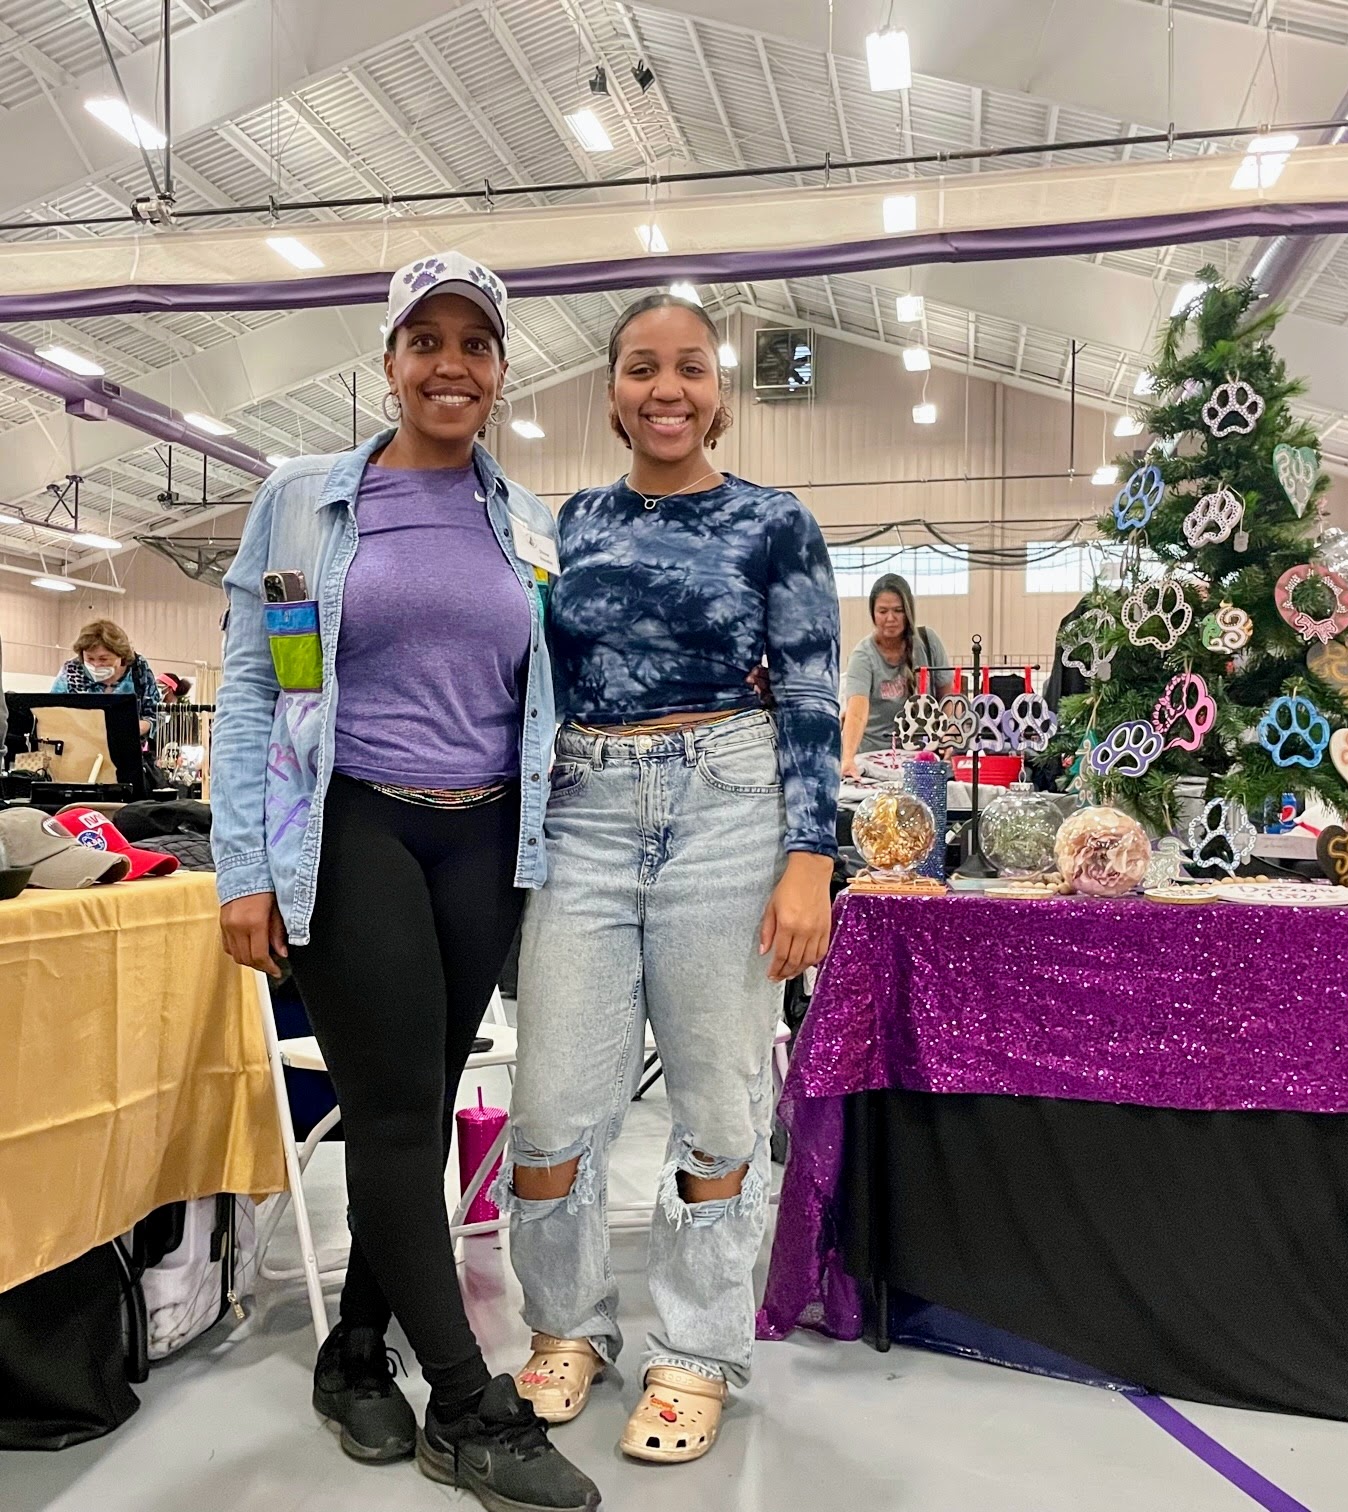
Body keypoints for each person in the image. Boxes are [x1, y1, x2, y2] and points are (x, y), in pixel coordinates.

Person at [210, 251, 599, 1512]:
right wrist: (243, 870)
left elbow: (546, 692)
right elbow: (261, 686)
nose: (449, 364)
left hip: (486, 841)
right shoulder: (305, 501)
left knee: (421, 1108)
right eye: (423, 341)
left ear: (498, 372)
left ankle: (347, 1352)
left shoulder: (526, 522)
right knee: (388, 1115)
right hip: (352, 824)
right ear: (387, 364)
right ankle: (468, 1404)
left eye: (474, 344)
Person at [500, 292, 840, 1466]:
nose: (666, 390)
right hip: (585, 814)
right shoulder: (565, 525)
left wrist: (811, 857)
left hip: (728, 809)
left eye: (689, 369)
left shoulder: (774, 522)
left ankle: (695, 1349)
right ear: (609, 393)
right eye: (641, 368)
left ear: (720, 392)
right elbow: (528, 685)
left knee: (715, 1097)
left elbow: (806, 693)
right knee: (550, 1099)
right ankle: (567, 1324)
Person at [839, 573, 954, 777]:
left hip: (923, 759)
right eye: (883, 611)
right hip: (874, 760)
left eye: (898, 611)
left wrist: (950, 734)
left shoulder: (928, 643)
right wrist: (847, 759)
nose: (890, 618)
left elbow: (949, 698)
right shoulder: (863, 656)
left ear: (908, 612)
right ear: (873, 613)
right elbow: (856, 713)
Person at [53, 619, 160, 737]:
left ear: (121, 655)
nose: (96, 665)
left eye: (103, 659)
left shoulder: (138, 668)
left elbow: (156, 713)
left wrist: (139, 727)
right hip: (79, 747)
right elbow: (51, 711)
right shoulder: (71, 670)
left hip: (127, 748)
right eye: (90, 658)